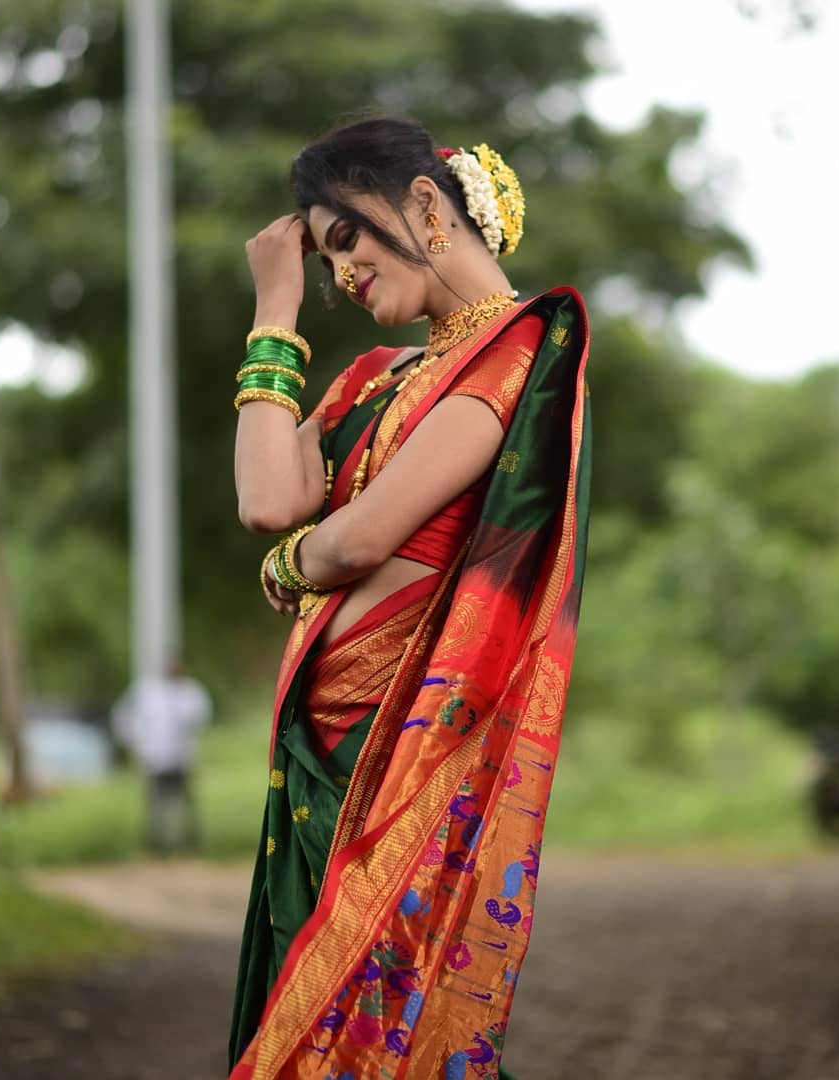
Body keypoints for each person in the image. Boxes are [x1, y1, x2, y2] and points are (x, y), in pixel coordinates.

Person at [227, 115, 591, 1079]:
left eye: (347, 241)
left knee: (381, 1021)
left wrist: (290, 571)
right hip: (318, 755)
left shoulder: (514, 358)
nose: (342, 277)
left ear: (425, 204)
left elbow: (361, 536)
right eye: (326, 257)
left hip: (406, 752)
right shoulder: (368, 382)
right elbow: (268, 500)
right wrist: (274, 314)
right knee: (317, 1012)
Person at [111, 658, 211, 854]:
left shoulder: (191, 691)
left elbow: (200, 718)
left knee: (185, 803)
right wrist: (134, 741)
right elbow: (123, 714)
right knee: (154, 804)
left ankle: (188, 845)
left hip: (182, 757)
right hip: (154, 757)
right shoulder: (147, 691)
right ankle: (155, 846)